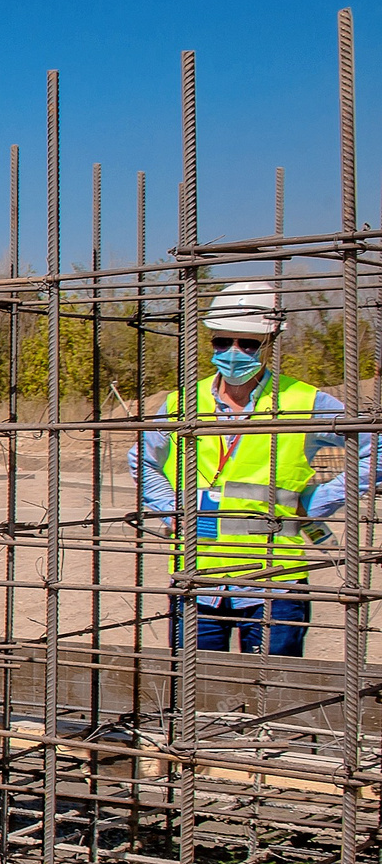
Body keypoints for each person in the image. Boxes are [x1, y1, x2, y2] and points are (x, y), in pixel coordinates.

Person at [131, 280, 353, 657]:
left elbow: (373, 451)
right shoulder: (183, 401)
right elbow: (143, 459)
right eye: (223, 342)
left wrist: (318, 502)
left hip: (273, 578)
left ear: (269, 345)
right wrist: (169, 508)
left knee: (274, 694)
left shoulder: (305, 401)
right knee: (196, 691)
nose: (234, 352)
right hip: (198, 574)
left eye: (247, 343)